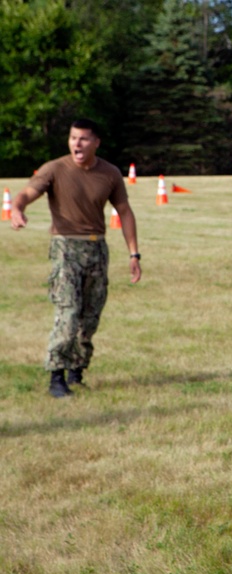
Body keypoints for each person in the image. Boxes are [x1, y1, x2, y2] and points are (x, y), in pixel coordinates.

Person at [9, 118, 141, 398]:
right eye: (72, 138)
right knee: (68, 312)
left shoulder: (110, 173)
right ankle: (57, 376)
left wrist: (134, 253)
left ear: (96, 143)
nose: (76, 144)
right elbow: (27, 193)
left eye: (83, 139)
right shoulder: (55, 169)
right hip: (65, 248)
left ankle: (76, 370)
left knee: (90, 316)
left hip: (96, 249)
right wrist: (17, 209)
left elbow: (125, 212)